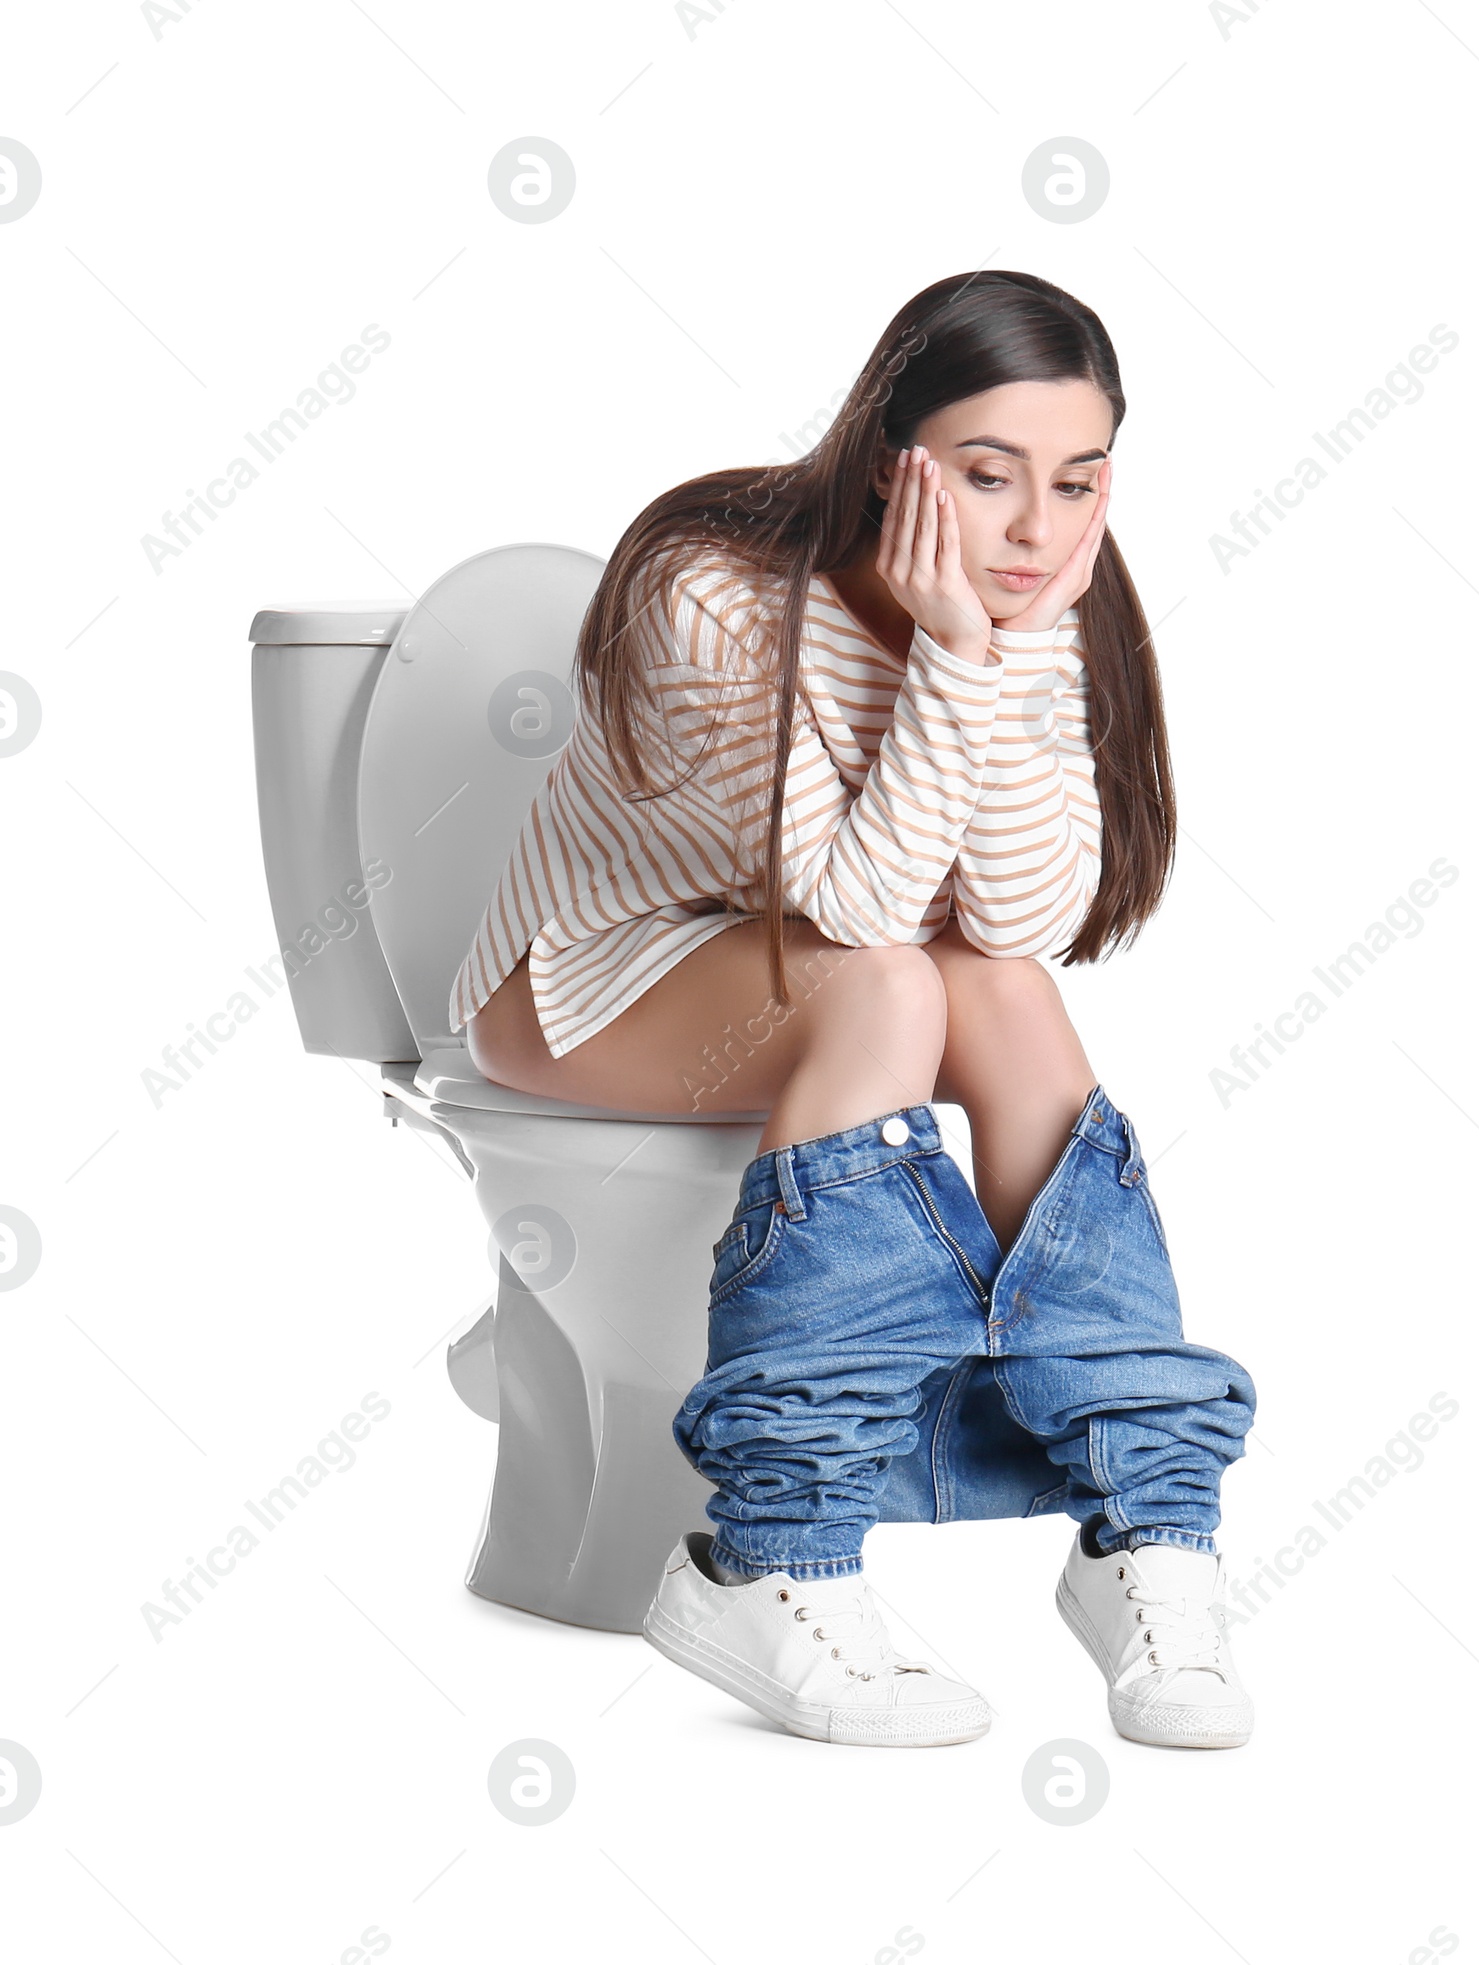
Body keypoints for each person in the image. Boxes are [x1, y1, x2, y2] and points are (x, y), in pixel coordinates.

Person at [450, 269, 1258, 1752]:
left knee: (1001, 997)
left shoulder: (1042, 596)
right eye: (987, 473)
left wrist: (1003, 648)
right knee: (890, 982)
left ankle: (1148, 1530)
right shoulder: (710, 589)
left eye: (1077, 481)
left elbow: (1020, 923)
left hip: (820, 972)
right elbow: (859, 914)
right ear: (895, 455)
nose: (1034, 527)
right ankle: (773, 1556)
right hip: (583, 977)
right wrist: (962, 655)